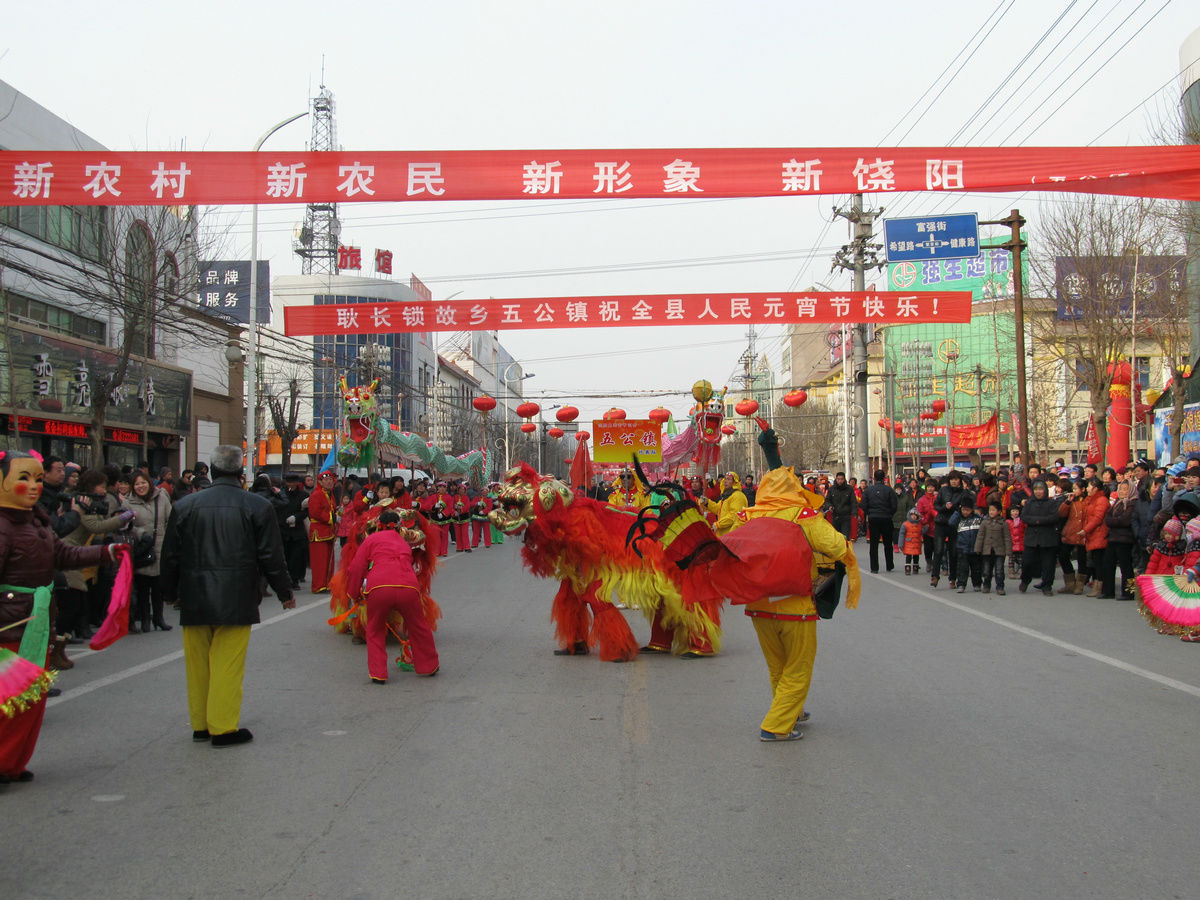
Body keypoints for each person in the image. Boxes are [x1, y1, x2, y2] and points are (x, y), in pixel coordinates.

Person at [0, 450, 124, 783]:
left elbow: (63, 553)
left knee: (30, 698)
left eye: (38, 479)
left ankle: (12, 763)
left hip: (36, 621)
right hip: (9, 625)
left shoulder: (36, 520)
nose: (33, 486)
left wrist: (105, 552)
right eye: (23, 478)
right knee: (9, 701)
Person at [159, 445, 294, 748]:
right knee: (227, 663)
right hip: (236, 594)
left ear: (213, 468)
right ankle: (222, 726)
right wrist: (285, 592)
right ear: (239, 469)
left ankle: (200, 724)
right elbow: (272, 556)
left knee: (197, 663)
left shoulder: (186, 506)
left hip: (194, 594)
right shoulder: (258, 506)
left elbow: (170, 556)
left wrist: (168, 592)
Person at [346, 509, 439, 681]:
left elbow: (356, 568)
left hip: (380, 587)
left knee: (374, 629)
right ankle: (429, 665)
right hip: (408, 587)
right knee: (418, 625)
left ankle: (378, 673)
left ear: (378, 524)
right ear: (399, 525)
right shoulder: (404, 542)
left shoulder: (371, 539)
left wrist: (353, 593)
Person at [122, 470, 173, 632]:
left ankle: (159, 618)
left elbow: (170, 520)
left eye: (143, 483)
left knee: (158, 589)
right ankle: (144, 618)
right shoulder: (128, 503)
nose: (140, 486)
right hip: (141, 549)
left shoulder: (162, 498)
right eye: (137, 484)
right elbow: (125, 527)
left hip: (159, 547)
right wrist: (140, 534)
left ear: (149, 483)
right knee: (143, 588)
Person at [1019, 480, 1062, 596]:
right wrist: (1037, 521)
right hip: (1032, 537)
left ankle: (1047, 585)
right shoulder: (1029, 503)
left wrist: (1038, 521)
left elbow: (1054, 517)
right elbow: (1024, 517)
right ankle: (1025, 580)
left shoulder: (1051, 503)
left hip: (1047, 538)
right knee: (1027, 562)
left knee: (1048, 564)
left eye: (1041, 489)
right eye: (1036, 489)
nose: (1038, 492)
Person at [1098, 479, 1136, 600]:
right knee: (1108, 564)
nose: (1122, 491)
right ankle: (1108, 591)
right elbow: (1108, 517)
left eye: (1125, 489)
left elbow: (1125, 520)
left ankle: (1129, 592)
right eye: (1120, 489)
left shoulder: (1132, 503)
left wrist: (1114, 521)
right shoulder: (1117, 502)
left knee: (1126, 567)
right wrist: (1114, 521)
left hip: (1126, 539)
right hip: (1113, 537)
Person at [931, 472, 969, 588]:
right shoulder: (943, 490)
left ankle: (953, 578)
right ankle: (935, 576)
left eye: (956, 479)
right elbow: (936, 505)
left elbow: (965, 509)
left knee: (953, 553)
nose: (954, 481)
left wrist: (953, 507)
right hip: (941, 523)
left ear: (960, 481)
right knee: (938, 550)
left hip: (954, 524)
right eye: (952, 479)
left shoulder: (963, 493)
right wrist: (944, 507)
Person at [859, 469, 898, 574]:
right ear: (884, 477)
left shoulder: (868, 491)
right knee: (888, 543)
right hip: (886, 517)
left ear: (874, 478)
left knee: (874, 544)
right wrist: (890, 514)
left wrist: (869, 513)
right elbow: (894, 505)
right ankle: (889, 564)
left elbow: (863, 505)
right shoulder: (889, 490)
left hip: (873, 518)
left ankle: (874, 567)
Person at [307, 469, 338, 592]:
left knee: (329, 560)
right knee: (320, 560)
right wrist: (332, 517)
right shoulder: (316, 495)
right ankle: (319, 585)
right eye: (326, 480)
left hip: (329, 531)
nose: (329, 482)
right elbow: (315, 513)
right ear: (320, 481)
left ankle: (327, 583)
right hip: (319, 531)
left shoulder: (330, 494)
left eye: (331, 479)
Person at [974, 501, 1011, 595]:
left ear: (999, 511)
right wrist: (978, 548)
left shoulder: (1003, 523)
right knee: (986, 570)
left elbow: (1007, 537)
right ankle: (986, 585)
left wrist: (1008, 550)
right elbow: (980, 536)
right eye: (990, 510)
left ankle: (1000, 587)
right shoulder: (985, 522)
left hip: (999, 551)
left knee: (999, 570)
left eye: (993, 510)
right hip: (987, 550)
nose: (991, 512)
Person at [279, 473, 309, 588]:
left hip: (297, 531)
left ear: (297, 483)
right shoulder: (280, 494)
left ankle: (294, 579)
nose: (291, 484)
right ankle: (285, 579)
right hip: (283, 530)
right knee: (285, 556)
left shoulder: (303, 495)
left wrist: (296, 517)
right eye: (288, 482)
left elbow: (306, 512)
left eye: (293, 482)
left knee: (296, 557)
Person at [949, 501, 984, 593]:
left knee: (976, 568)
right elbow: (951, 523)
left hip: (975, 547)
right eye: (963, 510)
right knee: (962, 567)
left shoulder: (977, 518)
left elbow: (984, 525)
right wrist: (957, 512)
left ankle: (977, 584)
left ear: (972, 510)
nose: (965, 512)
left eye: (967, 510)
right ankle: (961, 584)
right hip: (962, 547)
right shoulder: (959, 518)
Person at [705, 471, 748, 536]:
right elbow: (718, 509)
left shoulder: (738, 496)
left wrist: (718, 524)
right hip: (723, 534)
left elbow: (734, 515)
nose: (725, 481)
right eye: (725, 478)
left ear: (734, 482)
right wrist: (707, 502)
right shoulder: (726, 496)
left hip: (732, 535)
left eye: (728, 479)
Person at [826, 472, 856, 539]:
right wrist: (829, 506)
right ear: (836, 479)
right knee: (836, 537)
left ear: (844, 479)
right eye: (838, 479)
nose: (840, 481)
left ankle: (846, 548)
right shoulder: (831, 489)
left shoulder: (849, 489)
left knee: (845, 537)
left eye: (841, 479)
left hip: (846, 516)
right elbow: (827, 500)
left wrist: (854, 512)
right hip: (835, 515)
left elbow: (853, 501)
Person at [900, 508, 923, 575]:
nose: (914, 516)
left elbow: (921, 532)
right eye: (912, 515)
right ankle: (907, 568)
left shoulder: (919, 524)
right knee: (908, 556)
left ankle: (915, 567)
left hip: (917, 543)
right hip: (908, 543)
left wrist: (926, 528)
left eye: (915, 515)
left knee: (916, 555)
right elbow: (902, 534)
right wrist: (900, 543)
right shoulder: (905, 524)